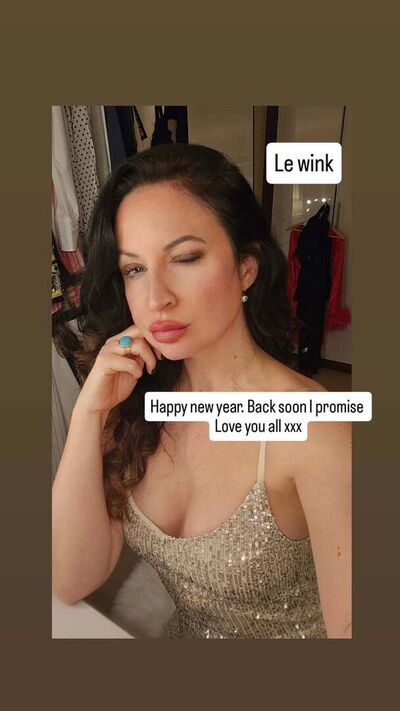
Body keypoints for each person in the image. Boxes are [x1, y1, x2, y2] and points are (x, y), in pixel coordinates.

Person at [52, 143, 351, 639]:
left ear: (246, 268)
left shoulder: (314, 425)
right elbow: (69, 579)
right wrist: (89, 413)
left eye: (186, 257)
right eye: (134, 269)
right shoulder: (135, 405)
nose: (156, 298)